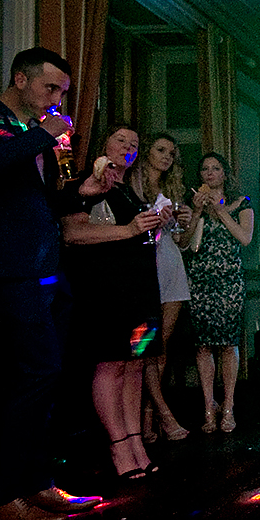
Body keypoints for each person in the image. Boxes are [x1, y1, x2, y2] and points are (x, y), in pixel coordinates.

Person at [0, 47, 102, 520]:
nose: (56, 99)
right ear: (20, 78)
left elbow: (39, 203)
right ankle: (1, 494)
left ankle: (36, 482)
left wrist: (81, 193)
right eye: (49, 88)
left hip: (47, 267)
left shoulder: (36, 134)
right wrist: (39, 136)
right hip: (5, 268)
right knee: (31, 373)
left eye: (62, 93)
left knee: (50, 376)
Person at [58, 125, 165, 482]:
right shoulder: (85, 187)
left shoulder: (127, 190)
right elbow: (74, 234)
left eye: (135, 143)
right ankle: (118, 445)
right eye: (121, 140)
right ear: (103, 144)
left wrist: (156, 223)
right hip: (107, 294)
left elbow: (136, 233)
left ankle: (136, 442)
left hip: (141, 292)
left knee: (136, 364)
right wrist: (131, 230)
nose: (129, 147)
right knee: (110, 367)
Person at [128, 133, 193, 442]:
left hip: (170, 264)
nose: (167, 156)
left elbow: (181, 240)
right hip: (142, 267)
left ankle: (149, 414)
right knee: (144, 345)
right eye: (161, 150)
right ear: (147, 152)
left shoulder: (171, 189)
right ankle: (161, 413)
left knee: (162, 346)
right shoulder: (130, 186)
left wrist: (189, 220)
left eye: (171, 152)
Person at [184, 152, 254, 434]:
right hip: (200, 280)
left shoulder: (242, 204)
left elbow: (245, 239)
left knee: (228, 343)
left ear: (225, 173)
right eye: (205, 169)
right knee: (203, 346)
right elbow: (184, 242)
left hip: (229, 281)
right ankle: (207, 406)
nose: (210, 173)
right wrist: (198, 211)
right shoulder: (192, 203)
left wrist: (221, 210)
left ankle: (228, 406)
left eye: (215, 168)